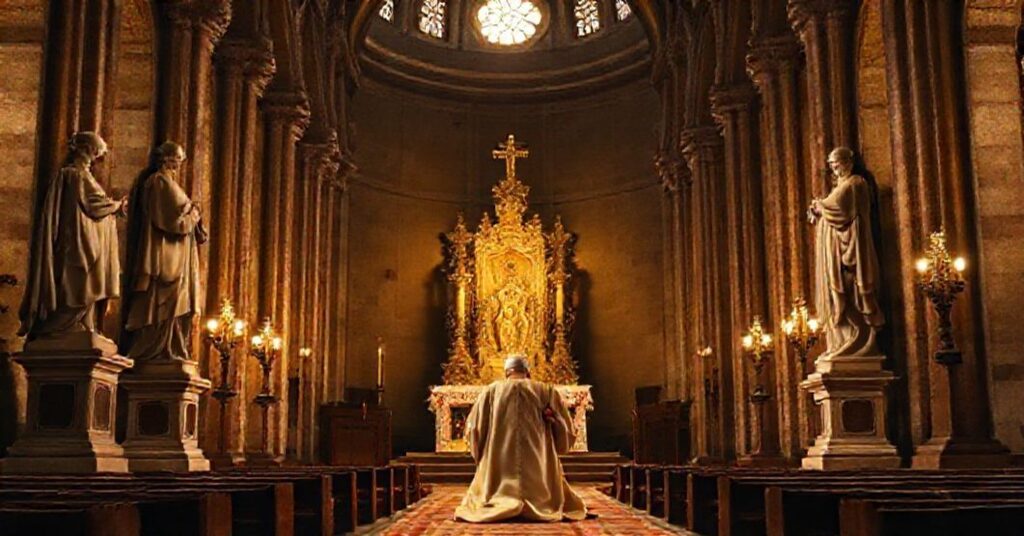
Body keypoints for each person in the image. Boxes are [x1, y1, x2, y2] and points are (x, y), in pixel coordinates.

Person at [19, 131, 126, 340]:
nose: (95, 159)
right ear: (86, 149)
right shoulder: (74, 174)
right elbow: (93, 204)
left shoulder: (82, 175)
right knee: (78, 278)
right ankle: (64, 323)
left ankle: (83, 322)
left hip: (88, 236)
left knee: (88, 279)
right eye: (95, 153)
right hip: (77, 238)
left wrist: (114, 207)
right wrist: (117, 205)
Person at [455, 354, 587, 523]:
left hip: (499, 466)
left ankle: (498, 498)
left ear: (507, 372)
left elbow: (475, 428)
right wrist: (555, 425)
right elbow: (564, 430)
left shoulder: (492, 391)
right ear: (527, 371)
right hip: (538, 467)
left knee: (494, 481)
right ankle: (539, 500)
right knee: (540, 481)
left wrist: (480, 453)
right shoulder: (545, 391)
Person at [120, 141, 206, 361]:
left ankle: (173, 346)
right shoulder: (158, 182)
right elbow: (172, 222)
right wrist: (193, 214)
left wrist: (195, 219)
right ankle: (158, 349)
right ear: (167, 158)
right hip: (166, 255)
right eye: (177, 158)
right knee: (164, 300)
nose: (179, 163)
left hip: (179, 254)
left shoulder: (170, 183)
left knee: (179, 302)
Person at [807, 147, 884, 359]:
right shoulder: (840, 186)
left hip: (851, 251)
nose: (835, 170)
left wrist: (820, 206)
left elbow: (838, 207)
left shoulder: (856, 183)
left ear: (848, 162)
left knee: (852, 293)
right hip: (836, 252)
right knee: (837, 296)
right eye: (831, 166)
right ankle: (845, 340)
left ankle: (863, 339)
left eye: (837, 164)